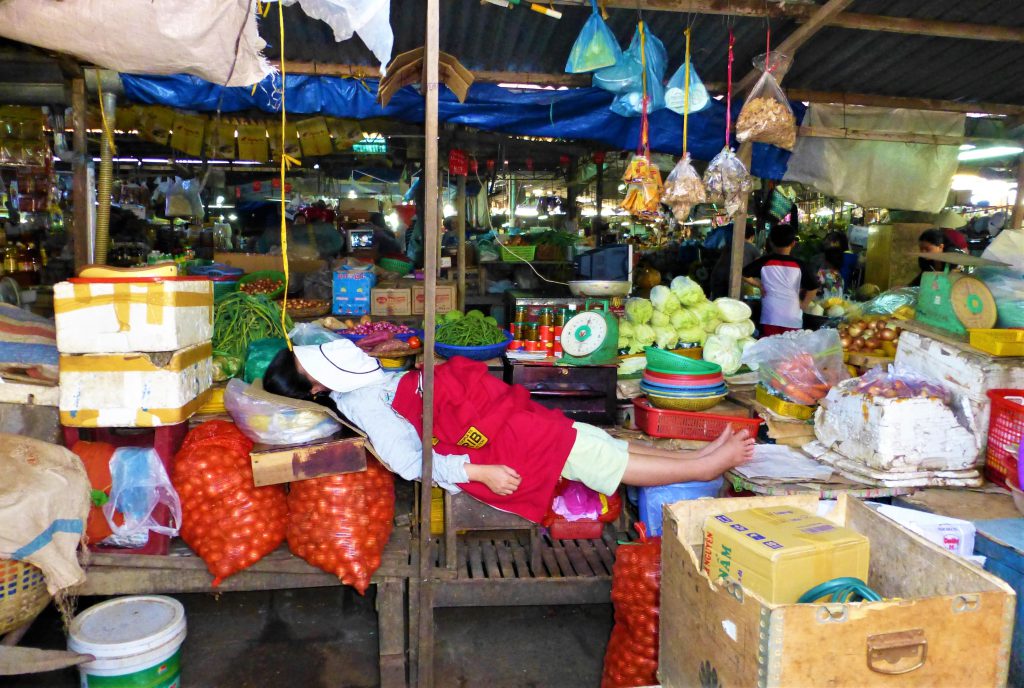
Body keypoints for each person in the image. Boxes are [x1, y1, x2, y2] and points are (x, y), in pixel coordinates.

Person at [263, 340, 754, 524]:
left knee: (594, 441)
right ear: (315, 386)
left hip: (485, 423)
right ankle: (707, 465)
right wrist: (482, 470)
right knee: (592, 458)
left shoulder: (361, 382)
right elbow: (411, 464)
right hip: (486, 452)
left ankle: (699, 458)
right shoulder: (363, 404)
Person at [742, 224, 819, 336]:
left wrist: (758, 284)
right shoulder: (799, 264)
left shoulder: (764, 261)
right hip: (792, 317)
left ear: (771, 242)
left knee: (770, 348)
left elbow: (743, 274)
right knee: (789, 351)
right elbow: (813, 287)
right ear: (793, 243)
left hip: (770, 316)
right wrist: (804, 304)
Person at [710, 223, 760, 298]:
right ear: (752, 237)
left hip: (717, 283)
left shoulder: (728, 246)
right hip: (731, 286)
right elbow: (758, 269)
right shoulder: (752, 249)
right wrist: (758, 285)